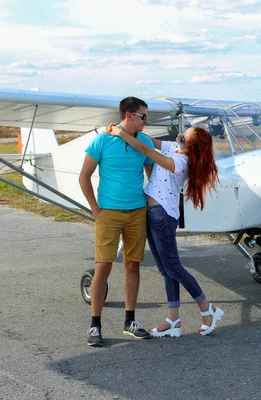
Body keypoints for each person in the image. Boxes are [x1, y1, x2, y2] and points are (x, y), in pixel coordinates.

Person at [105, 123, 223, 337]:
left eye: (184, 136)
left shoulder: (180, 161)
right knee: (165, 269)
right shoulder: (173, 148)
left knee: (174, 267)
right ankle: (173, 319)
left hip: (162, 215)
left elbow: (147, 150)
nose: (180, 135)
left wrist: (121, 133)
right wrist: (127, 128)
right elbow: (150, 142)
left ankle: (207, 308)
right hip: (151, 214)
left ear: (189, 146)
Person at [79, 96, 155, 346]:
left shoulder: (142, 142)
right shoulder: (102, 140)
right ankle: (95, 325)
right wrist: (95, 210)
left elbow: (152, 174)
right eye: (143, 116)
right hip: (109, 212)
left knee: (132, 266)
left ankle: (130, 321)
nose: (147, 120)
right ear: (129, 115)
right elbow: (84, 177)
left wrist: (148, 200)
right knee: (103, 268)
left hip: (136, 212)